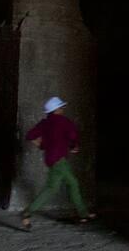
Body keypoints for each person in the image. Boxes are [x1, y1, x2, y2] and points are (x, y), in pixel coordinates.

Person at [19, 96, 94, 230]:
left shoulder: (45, 123)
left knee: (53, 188)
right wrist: (74, 146)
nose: (63, 108)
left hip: (50, 158)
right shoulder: (63, 121)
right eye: (61, 107)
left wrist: (42, 145)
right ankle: (83, 214)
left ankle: (28, 213)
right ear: (56, 109)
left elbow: (30, 136)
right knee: (72, 184)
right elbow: (72, 136)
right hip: (60, 159)